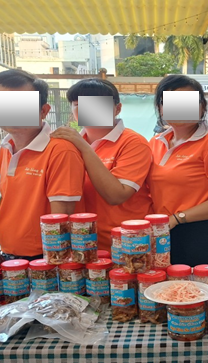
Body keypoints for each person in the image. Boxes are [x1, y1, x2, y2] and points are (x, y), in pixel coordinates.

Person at [0, 70, 85, 260]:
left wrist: (53, 262)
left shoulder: (61, 151)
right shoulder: (6, 148)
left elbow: (61, 220)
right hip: (10, 254)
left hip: (44, 258)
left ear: (44, 110)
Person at [147, 75, 208, 266]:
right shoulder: (155, 143)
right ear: (160, 107)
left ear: (202, 106)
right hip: (161, 232)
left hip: (200, 234)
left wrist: (178, 218)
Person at [50, 78, 153, 252]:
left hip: (127, 244)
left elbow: (116, 195)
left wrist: (83, 147)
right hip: (82, 243)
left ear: (117, 108)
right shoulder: (66, 145)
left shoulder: (134, 143)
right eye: (79, 105)